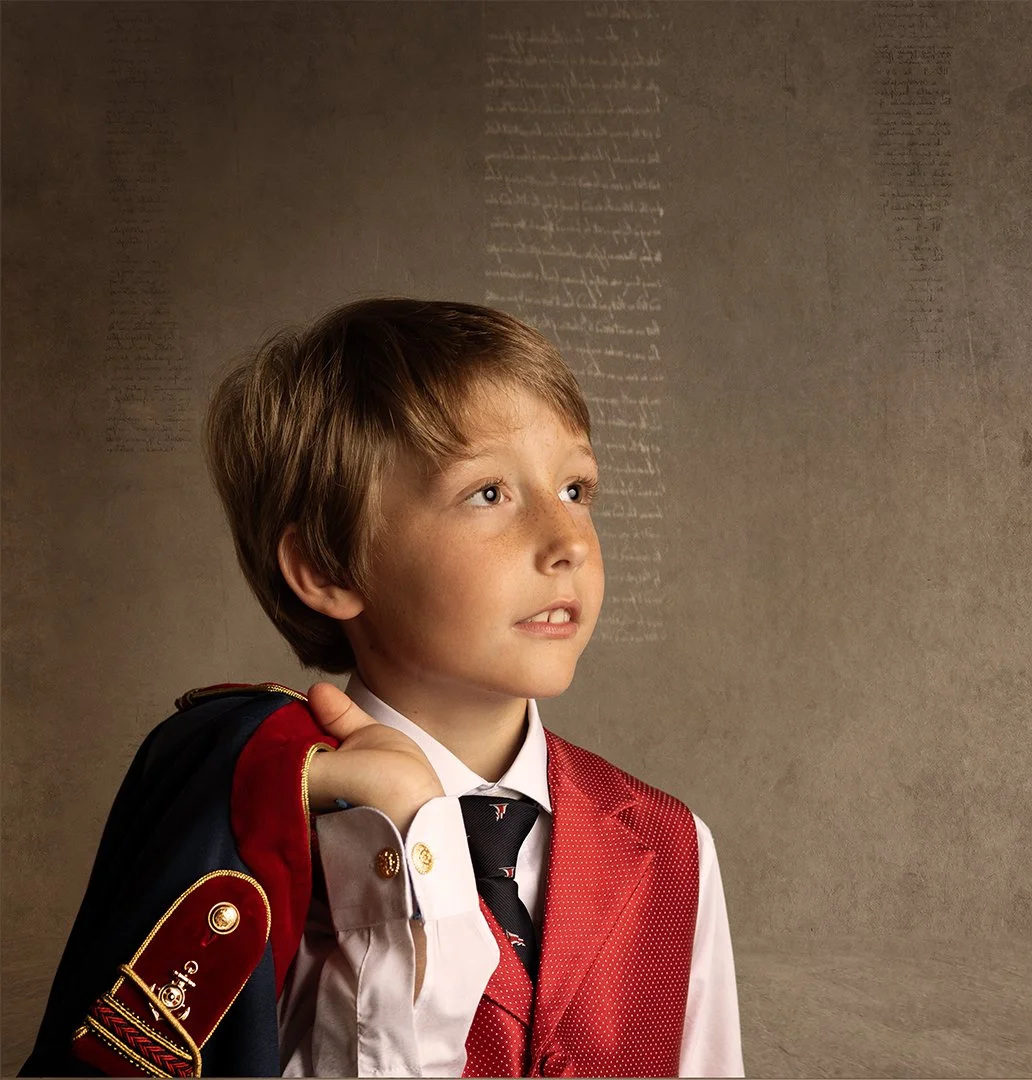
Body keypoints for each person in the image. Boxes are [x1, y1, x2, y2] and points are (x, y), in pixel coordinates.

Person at [22, 298, 743, 1078]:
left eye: (576, 489)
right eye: (489, 493)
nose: (568, 541)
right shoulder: (254, 820)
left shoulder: (674, 848)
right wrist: (403, 833)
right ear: (329, 567)